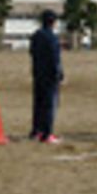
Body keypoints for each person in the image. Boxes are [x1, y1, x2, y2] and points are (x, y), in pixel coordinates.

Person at [29, 9, 64, 144]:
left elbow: (32, 53)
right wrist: (59, 74)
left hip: (38, 74)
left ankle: (36, 131)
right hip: (50, 76)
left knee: (38, 104)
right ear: (53, 22)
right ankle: (47, 133)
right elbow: (55, 58)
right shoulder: (52, 38)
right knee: (49, 105)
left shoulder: (36, 36)